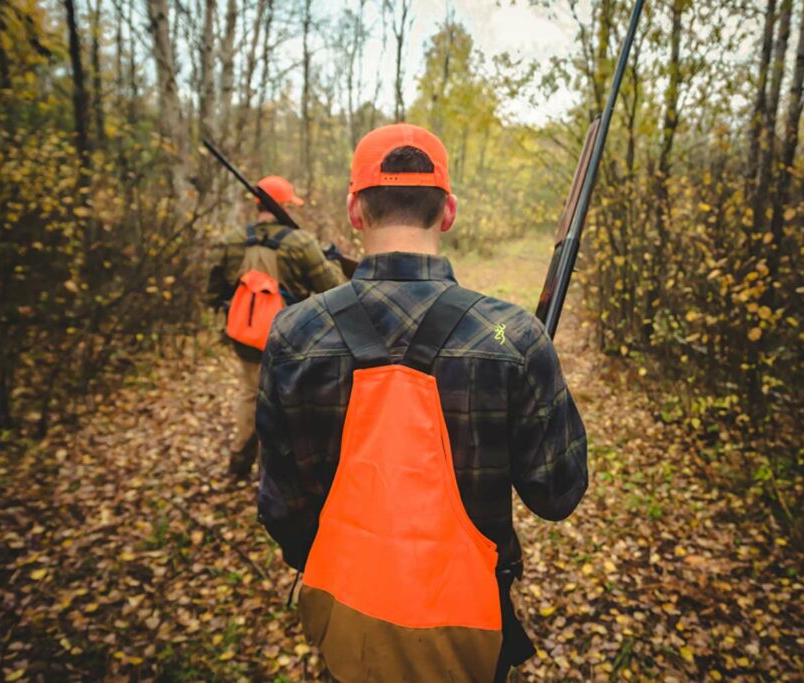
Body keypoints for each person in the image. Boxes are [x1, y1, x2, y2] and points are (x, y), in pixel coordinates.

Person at [256, 124, 588, 681]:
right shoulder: (511, 335)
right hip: (470, 631)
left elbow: (280, 508)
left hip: (345, 617)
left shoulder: (294, 333)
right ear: (449, 211)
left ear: (355, 210)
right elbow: (558, 494)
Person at [207, 175, 346, 479]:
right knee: (284, 400)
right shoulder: (300, 243)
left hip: (245, 337)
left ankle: (239, 462)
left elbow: (213, 292)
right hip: (291, 338)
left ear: (258, 205)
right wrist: (330, 260)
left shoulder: (231, 240)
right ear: (283, 206)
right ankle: (272, 472)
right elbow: (333, 288)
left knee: (250, 393)